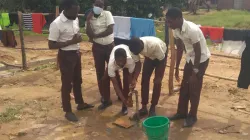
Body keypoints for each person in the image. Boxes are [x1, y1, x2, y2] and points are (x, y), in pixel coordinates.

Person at [48, 0, 94, 122]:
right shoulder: (56, 24)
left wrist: (77, 40)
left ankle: (80, 103)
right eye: (75, 12)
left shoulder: (75, 19)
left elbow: (75, 34)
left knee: (78, 80)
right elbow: (51, 45)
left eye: (78, 12)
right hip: (65, 56)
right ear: (66, 10)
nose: (76, 15)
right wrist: (70, 42)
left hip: (76, 53)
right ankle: (67, 111)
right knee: (67, 83)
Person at [166, 7, 211, 127]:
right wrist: (176, 67)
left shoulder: (192, 30)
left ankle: (192, 116)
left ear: (179, 18)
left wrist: (195, 71)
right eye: (167, 21)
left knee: (194, 87)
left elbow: (198, 50)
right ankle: (181, 112)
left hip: (200, 60)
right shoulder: (176, 30)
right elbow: (180, 48)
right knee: (184, 86)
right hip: (190, 59)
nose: (168, 24)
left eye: (170, 21)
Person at [86, 0, 122, 110]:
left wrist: (95, 35)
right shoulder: (89, 16)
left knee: (114, 69)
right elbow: (88, 33)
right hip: (97, 47)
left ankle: (120, 94)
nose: (99, 7)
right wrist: (87, 21)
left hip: (109, 46)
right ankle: (106, 98)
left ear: (103, 7)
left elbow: (110, 30)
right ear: (93, 5)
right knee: (100, 72)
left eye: (101, 5)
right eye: (97, 5)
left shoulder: (107, 14)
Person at [128, 36, 167, 119]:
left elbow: (162, 60)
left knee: (157, 81)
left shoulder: (154, 45)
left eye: (138, 52)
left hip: (161, 56)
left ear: (141, 46)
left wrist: (158, 76)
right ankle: (144, 107)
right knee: (144, 80)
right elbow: (138, 64)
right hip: (149, 57)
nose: (137, 53)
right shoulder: (133, 49)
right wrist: (134, 78)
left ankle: (153, 107)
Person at [105, 44, 140, 115]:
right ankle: (122, 102)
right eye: (118, 61)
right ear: (115, 59)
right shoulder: (111, 65)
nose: (120, 63)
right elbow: (115, 85)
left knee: (127, 84)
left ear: (126, 58)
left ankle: (124, 106)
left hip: (127, 61)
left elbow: (130, 78)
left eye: (122, 60)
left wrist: (131, 87)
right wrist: (124, 100)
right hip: (113, 65)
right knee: (107, 77)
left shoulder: (130, 61)